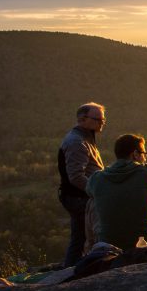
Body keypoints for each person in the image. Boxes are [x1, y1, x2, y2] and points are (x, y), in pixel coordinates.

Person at [86, 134, 147, 252]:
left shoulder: (97, 178)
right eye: (144, 154)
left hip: (108, 244)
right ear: (135, 154)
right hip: (146, 244)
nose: (145, 158)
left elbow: (88, 190)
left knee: (92, 202)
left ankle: (91, 248)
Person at [57, 102, 106, 266]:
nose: (102, 122)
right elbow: (76, 176)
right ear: (82, 119)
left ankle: (71, 270)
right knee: (83, 238)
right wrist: (96, 192)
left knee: (80, 237)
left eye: (103, 119)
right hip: (80, 198)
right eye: (98, 119)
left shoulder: (85, 137)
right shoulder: (77, 142)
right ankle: (72, 273)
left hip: (79, 196)